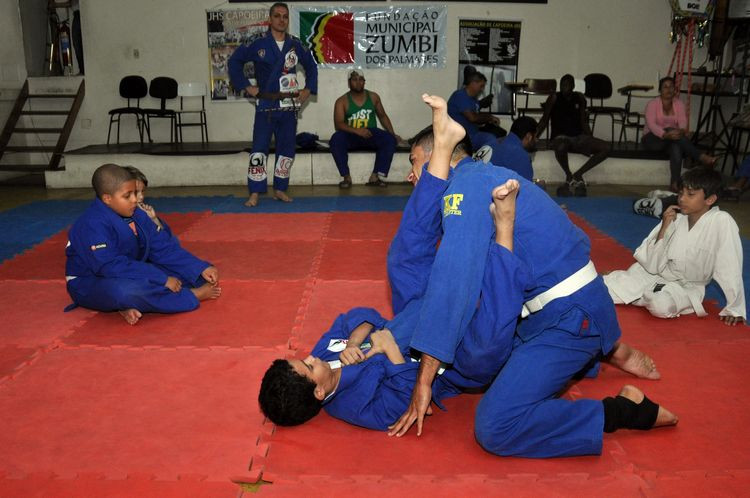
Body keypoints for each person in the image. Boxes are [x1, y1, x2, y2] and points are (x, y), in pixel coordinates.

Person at [388, 94, 676, 459]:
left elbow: (454, 283)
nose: (409, 175)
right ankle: (604, 353)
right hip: (555, 310)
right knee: (475, 352)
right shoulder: (481, 178)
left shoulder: (464, 188)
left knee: (495, 427)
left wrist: (424, 377)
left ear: (436, 156)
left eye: (414, 162)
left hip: (571, 318)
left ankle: (622, 410)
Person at [65, 164, 221, 325]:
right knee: (125, 292)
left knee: (193, 276)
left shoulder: (136, 213)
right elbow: (110, 266)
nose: (135, 200)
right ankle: (190, 296)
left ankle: (126, 306)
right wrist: (161, 278)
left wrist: (199, 267)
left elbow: (162, 248)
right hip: (90, 282)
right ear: (107, 198)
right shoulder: (91, 224)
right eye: (127, 196)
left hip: (130, 270)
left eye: (135, 193)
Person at [604, 168, 745, 326]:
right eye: (680, 193)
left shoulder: (721, 221)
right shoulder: (675, 219)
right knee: (602, 289)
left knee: (661, 306)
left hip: (687, 287)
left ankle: (640, 295)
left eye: (690, 194)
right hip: (654, 275)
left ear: (710, 199)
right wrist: (664, 227)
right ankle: (639, 293)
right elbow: (651, 264)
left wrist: (735, 308)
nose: (682, 199)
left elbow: (730, 264)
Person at [228, 2, 318, 207]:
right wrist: (245, 85)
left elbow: (311, 66)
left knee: (286, 150)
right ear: (270, 19)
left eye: (285, 16)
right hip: (265, 105)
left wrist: (308, 89)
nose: (281, 20)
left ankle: (280, 189)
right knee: (259, 150)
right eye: (277, 16)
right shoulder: (257, 42)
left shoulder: (295, 44)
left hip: (289, 105)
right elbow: (234, 62)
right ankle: (255, 192)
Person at [537, 74, 611, 197]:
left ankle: (578, 174)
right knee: (560, 146)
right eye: (562, 85)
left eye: (566, 84)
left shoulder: (580, 98)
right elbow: (544, 120)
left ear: (573, 86)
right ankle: (568, 175)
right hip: (560, 137)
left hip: (579, 138)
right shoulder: (554, 98)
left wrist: (590, 138)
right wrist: (535, 136)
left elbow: (584, 121)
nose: (563, 87)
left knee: (606, 148)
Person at [641, 76, 716, 193]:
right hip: (652, 139)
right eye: (665, 87)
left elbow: (682, 123)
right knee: (672, 131)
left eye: (671, 86)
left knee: (676, 147)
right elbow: (651, 125)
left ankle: (674, 184)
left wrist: (680, 131)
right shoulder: (652, 104)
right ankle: (701, 156)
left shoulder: (679, 104)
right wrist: (667, 134)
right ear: (660, 90)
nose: (668, 89)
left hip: (672, 140)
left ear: (675, 89)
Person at [330, 69, 401, 188]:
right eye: (354, 80)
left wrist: (393, 134)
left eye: (361, 80)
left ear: (364, 82)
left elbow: (383, 116)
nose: (358, 83)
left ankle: (375, 176)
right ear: (349, 83)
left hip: (370, 133)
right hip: (351, 134)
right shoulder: (341, 101)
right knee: (336, 139)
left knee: (389, 139)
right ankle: (346, 177)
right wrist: (357, 131)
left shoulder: (373, 97)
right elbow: (339, 124)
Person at [447, 72, 505, 160]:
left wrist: (482, 105)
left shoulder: (472, 99)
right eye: (481, 86)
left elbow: (475, 112)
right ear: (473, 83)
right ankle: (480, 165)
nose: (482, 89)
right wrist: (490, 117)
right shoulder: (460, 96)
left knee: (500, 134)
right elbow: (472, 117)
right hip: (463, 138)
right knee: (490, 139)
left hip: (472, 133)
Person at [490, 115, 537, 181]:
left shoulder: (491, 143)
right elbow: (526, 188)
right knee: (541, 185)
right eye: (535, 137)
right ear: (529, 136)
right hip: (491, 189)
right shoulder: (520, 155)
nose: (536, 140)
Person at [124, 166, 167, 233]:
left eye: (143, 191)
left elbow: (164, 238)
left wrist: (154, 219)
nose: (141, 197)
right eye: (136, 192)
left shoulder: (141, 213)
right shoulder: (110, 218)